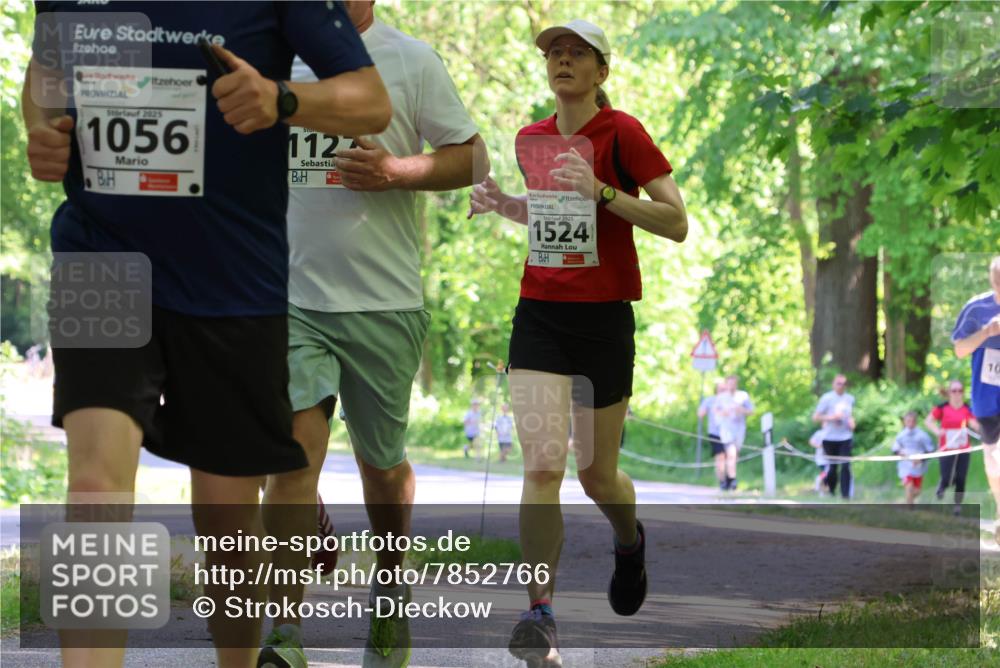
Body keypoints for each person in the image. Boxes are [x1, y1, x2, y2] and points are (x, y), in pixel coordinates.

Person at [24, 3, 389, 667]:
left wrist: (280, 98)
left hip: (233, 281)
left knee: (225, 519)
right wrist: (43, 129)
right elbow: (47, 76)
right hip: (100, 258)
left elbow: (370, 102)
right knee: (96, 484)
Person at [257, 2, 485, 666]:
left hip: (383, 302)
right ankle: (286, 633)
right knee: (293, 462)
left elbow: (472, 159)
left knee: (382, 470)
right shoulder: (273, 59)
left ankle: (390, 594)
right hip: (290, 299)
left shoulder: (410, 59)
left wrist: (397, 172)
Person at [469, 19, 687, 667]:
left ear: (601, 70)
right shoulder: (529, 138)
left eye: (576, 53)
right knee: (541, 465)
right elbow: (552, 220)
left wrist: (604, 191)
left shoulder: (624, 133)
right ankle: (539, 616)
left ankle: (629, 540)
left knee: (597, 475)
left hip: (603, 322)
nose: (562, 61)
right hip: (539, 315)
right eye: (554, 53)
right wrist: (506, 204)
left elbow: (676, 222)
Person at [952, 256, 1000, 544]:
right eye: (997, 284)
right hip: (986, 399)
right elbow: (959, 349)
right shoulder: (976, 308)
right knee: (992, 464)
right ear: (991, 280)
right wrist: (986, 332)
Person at [925, 380, 981, 515]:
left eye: (960, 391)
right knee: (946, 476)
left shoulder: (967, 409)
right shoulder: (942, 408)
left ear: (962, 393)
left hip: (963, 448)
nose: (957, 394)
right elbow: (928, 421)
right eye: (954, 391)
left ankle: (957, 506)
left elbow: (974, 425)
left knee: (961, 478)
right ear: (949, 392)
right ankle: (942, 485)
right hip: (946, 448)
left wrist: (987, 431)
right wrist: (938, 432)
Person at [812, 374, 856, 499]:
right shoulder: (827, 398)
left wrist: (851, 422)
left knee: (846, 465)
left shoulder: (850, 399)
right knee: (832, 467)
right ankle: (831, 490)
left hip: (845, 437)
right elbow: (816, 417)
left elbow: (849, 415)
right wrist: (832, 417)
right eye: (838, 383)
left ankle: (845, 495)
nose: (841, 386)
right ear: (833, 384)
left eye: (843, 384)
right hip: (829, 438)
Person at [712, 375, 753, 491]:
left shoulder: (743, 396)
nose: (731, 386)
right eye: (729, 383)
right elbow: (715, 411)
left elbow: (751, 411)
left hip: (739, 429)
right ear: (726, 384)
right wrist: (723, 412)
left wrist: (742, 410)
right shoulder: (721, 397)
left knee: (734, 456)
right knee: (731, 453)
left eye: (733, 383)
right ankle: (732, 480)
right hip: (726, 430)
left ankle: (727, 479)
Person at [893, 411, 936, 507]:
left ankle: (909, 501)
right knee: (909, 486)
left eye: (912, 421)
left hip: (918, 467)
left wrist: (921, 459)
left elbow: (930, 450)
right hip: (905, 466)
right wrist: (900, 452)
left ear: (915, 422)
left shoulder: (922, 435)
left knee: (917, 491)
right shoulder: (901, 435)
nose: (910, 423)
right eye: (908, 421)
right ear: (904, 422)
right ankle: (910, 509)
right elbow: (895, 449)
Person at [698, 381, 727, 490]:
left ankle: (729, 480)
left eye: (724, 389)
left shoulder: (731, 400)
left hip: (729, 433)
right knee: (720, 457)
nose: (722, 391)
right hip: (715, 433)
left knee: (730, 457)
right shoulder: (710, 400)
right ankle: (722, 482)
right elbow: (700, 413)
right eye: (720, 389)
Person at [808, 429, 830, 495]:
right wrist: (820, 446)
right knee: (825, 473)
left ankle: (822, 489)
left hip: (830, 458)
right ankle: (819, 486)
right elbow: (811, 441)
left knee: (827, 473)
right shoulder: (819, 433)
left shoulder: (833, 432)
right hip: (821, 459)